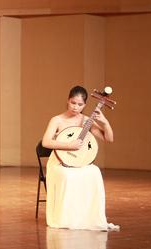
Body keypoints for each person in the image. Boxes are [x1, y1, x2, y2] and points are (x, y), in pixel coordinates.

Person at [41, 85, 119, 231]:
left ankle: (86, 217)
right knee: (67, 175)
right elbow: (45, 142)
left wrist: (104, 122)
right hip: (59, 162)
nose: (76, 107)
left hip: (78, 161)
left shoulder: (86, 120)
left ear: (85, 105)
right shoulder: (57, 120)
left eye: (80, 104)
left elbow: (109, 138)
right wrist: (69, 145)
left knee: (94, 172)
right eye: (73, 103)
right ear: (68, 100)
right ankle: (66, 218)